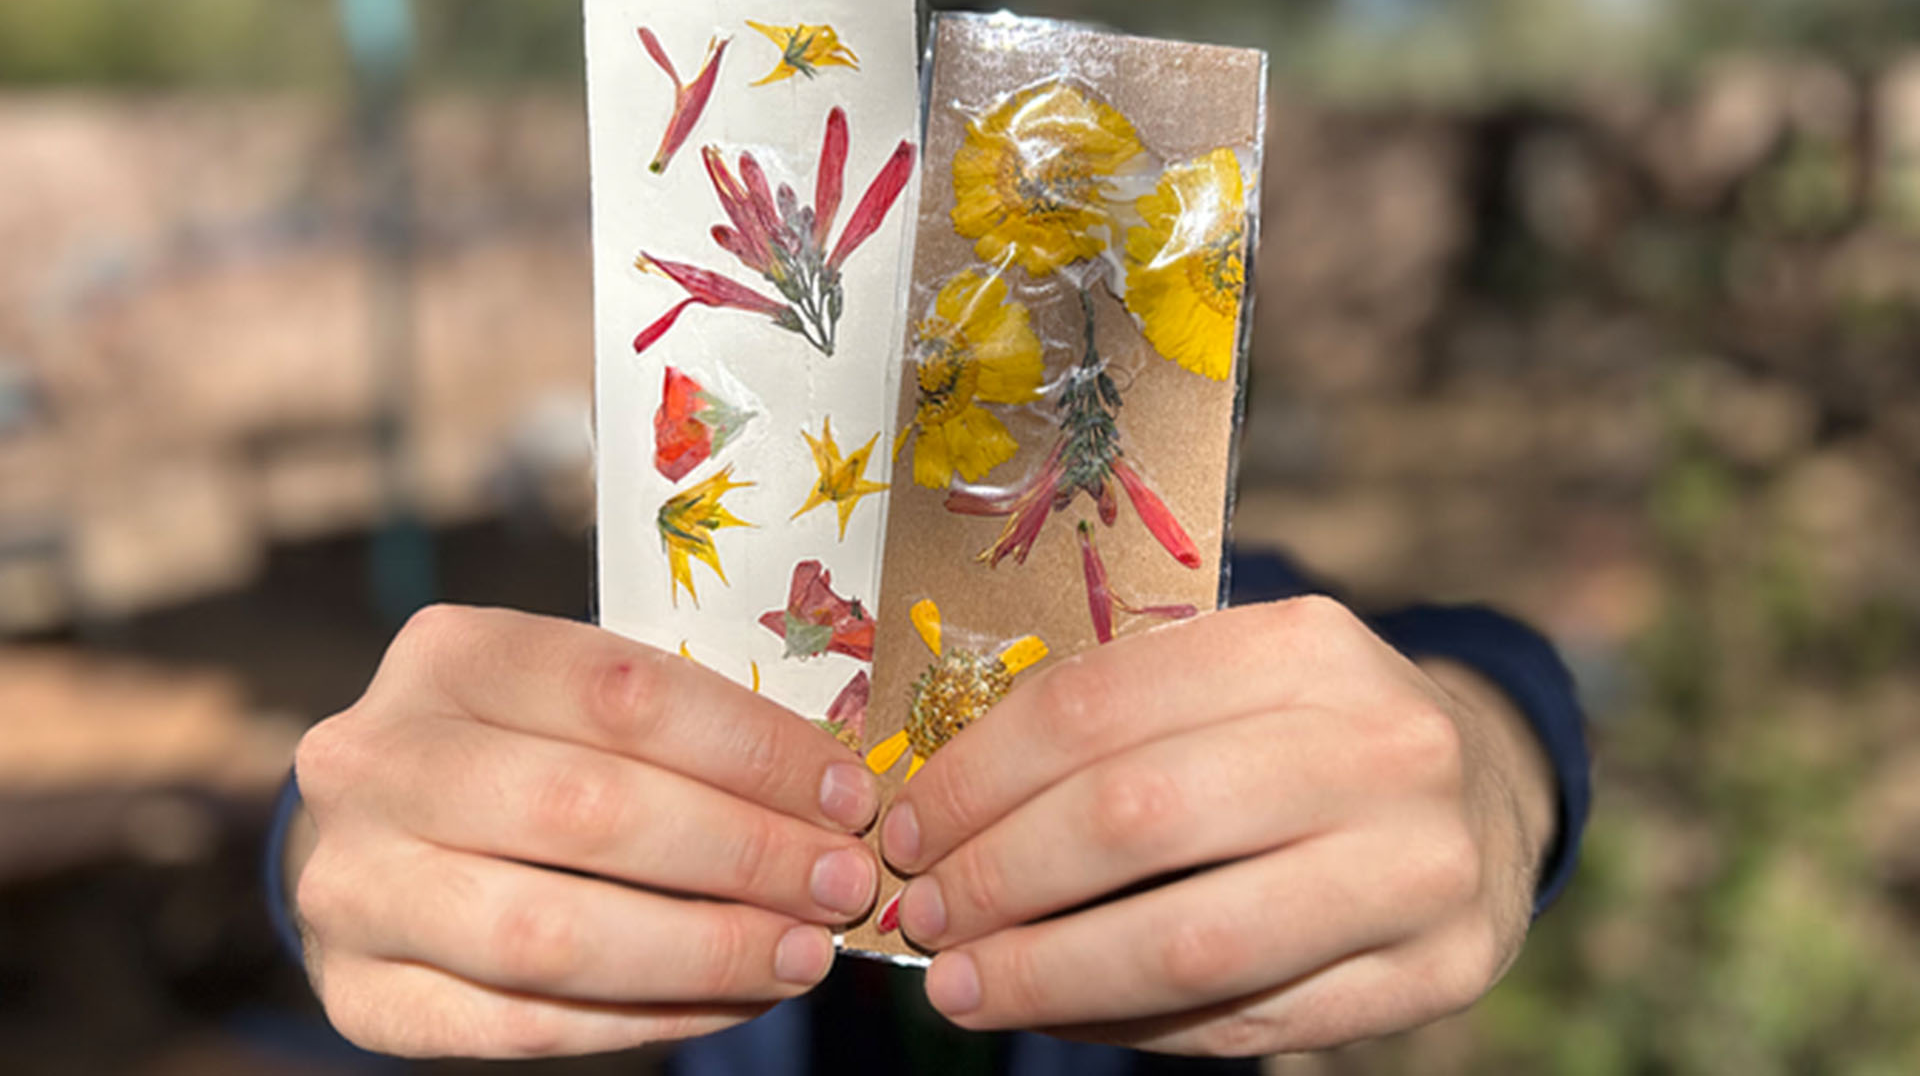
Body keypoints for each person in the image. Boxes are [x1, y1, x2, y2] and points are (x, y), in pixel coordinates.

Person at [266, 550, 1589, 1071]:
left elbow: (1458, 659)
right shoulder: (674, 618)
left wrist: (1491, 766)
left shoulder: (1169, 591)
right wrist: (326, 848)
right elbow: (379, 777)